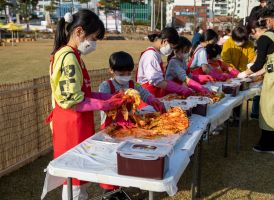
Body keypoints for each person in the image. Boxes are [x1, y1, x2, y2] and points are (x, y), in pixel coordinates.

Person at [46, 10, 127, 200]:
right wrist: (104, 105)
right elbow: (73, 101)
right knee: (72, 176)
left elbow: (85, 94)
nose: (94, 43)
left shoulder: (73, 55)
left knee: (79, 174)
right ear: (79, 32)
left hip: (77, 122)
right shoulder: (68, 58)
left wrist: (108, 99)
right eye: (93, 37)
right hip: (71, 124)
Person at [238, 18, 274, 153]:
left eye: (252, 35)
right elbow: (272, 61)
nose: (253, 38)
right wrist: (253, 75)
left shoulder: (263, 39)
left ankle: (268, 145)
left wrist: (243, 74)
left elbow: (258, 64)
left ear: (254, 30)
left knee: (269, 108)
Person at [99, 51, 166, 128]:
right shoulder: (106, 86)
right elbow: (104, 105)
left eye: (129, 74)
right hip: (111, 125)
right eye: (121, 74)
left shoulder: (132, 84)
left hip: (129, 123)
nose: (125, 77)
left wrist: (153, 100)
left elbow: (144, 93)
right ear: (111, 70)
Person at [137, 27, 193, 98]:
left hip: (154, 94)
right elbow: (158, 81)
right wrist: (180, 89)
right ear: (165, 41)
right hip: (148, 95)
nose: (172, 50)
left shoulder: (156, 54)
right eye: (172, 47)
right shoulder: (151, 55)